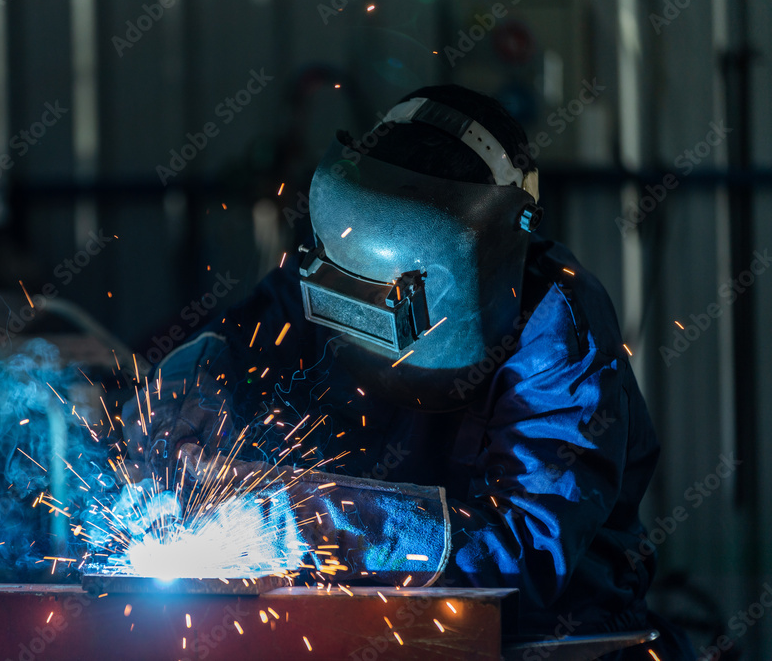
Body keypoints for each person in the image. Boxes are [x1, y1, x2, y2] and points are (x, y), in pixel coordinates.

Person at [122, 85, 693, 659]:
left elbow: (525, 552)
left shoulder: (559, 335)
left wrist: (302, 516)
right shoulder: (344, 255)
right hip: (369, 628)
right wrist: (187, 390)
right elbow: (241, 338)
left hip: (544, 641)